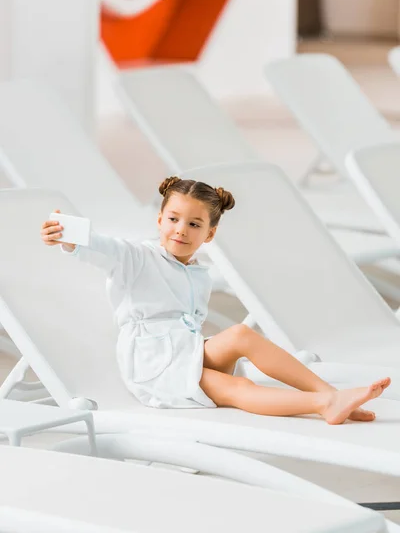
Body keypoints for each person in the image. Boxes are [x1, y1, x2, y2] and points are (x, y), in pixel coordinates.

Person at [40, 176, 390, 423]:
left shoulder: (197, 273)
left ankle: (331, 392)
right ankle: (324, 403)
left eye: (194, 224)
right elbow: (101, 247)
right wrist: (67, 237)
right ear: (160, 219)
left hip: (185, 351)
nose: (181, 229)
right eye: (174, 219)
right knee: (237, 386)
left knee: (240, 335)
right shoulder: (136, 258)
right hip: (154, 366)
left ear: (210, 234)